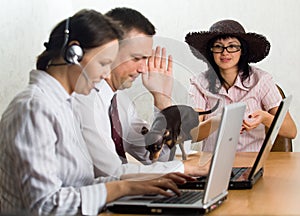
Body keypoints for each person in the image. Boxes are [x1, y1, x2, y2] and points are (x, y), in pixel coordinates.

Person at [0, 9, 196, 215]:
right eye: (103, 63)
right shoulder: (34, 108)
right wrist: (122, 187)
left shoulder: (61, 105)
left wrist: (143, 184)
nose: (105, 74)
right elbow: (45, 205)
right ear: (73, 54)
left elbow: (83, 183)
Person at [73, 7, 210, 178]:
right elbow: (111, 173)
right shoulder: (85, 99)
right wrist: (183, 168)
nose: (143, 68)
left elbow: (157, 158)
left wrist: (163, 102)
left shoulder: (120, 101)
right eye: (137, 58)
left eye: (146, 58)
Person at [185, 19, 297, 152]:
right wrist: (218, 121)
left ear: (242, 50)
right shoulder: (199, 83)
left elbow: (291, 131)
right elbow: (192, 134)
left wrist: (264, 117)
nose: (225, 52)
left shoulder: (262, 80)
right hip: (211, 165)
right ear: (211, 51)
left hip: (251, 163)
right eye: (218, 46)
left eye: (232, 46)